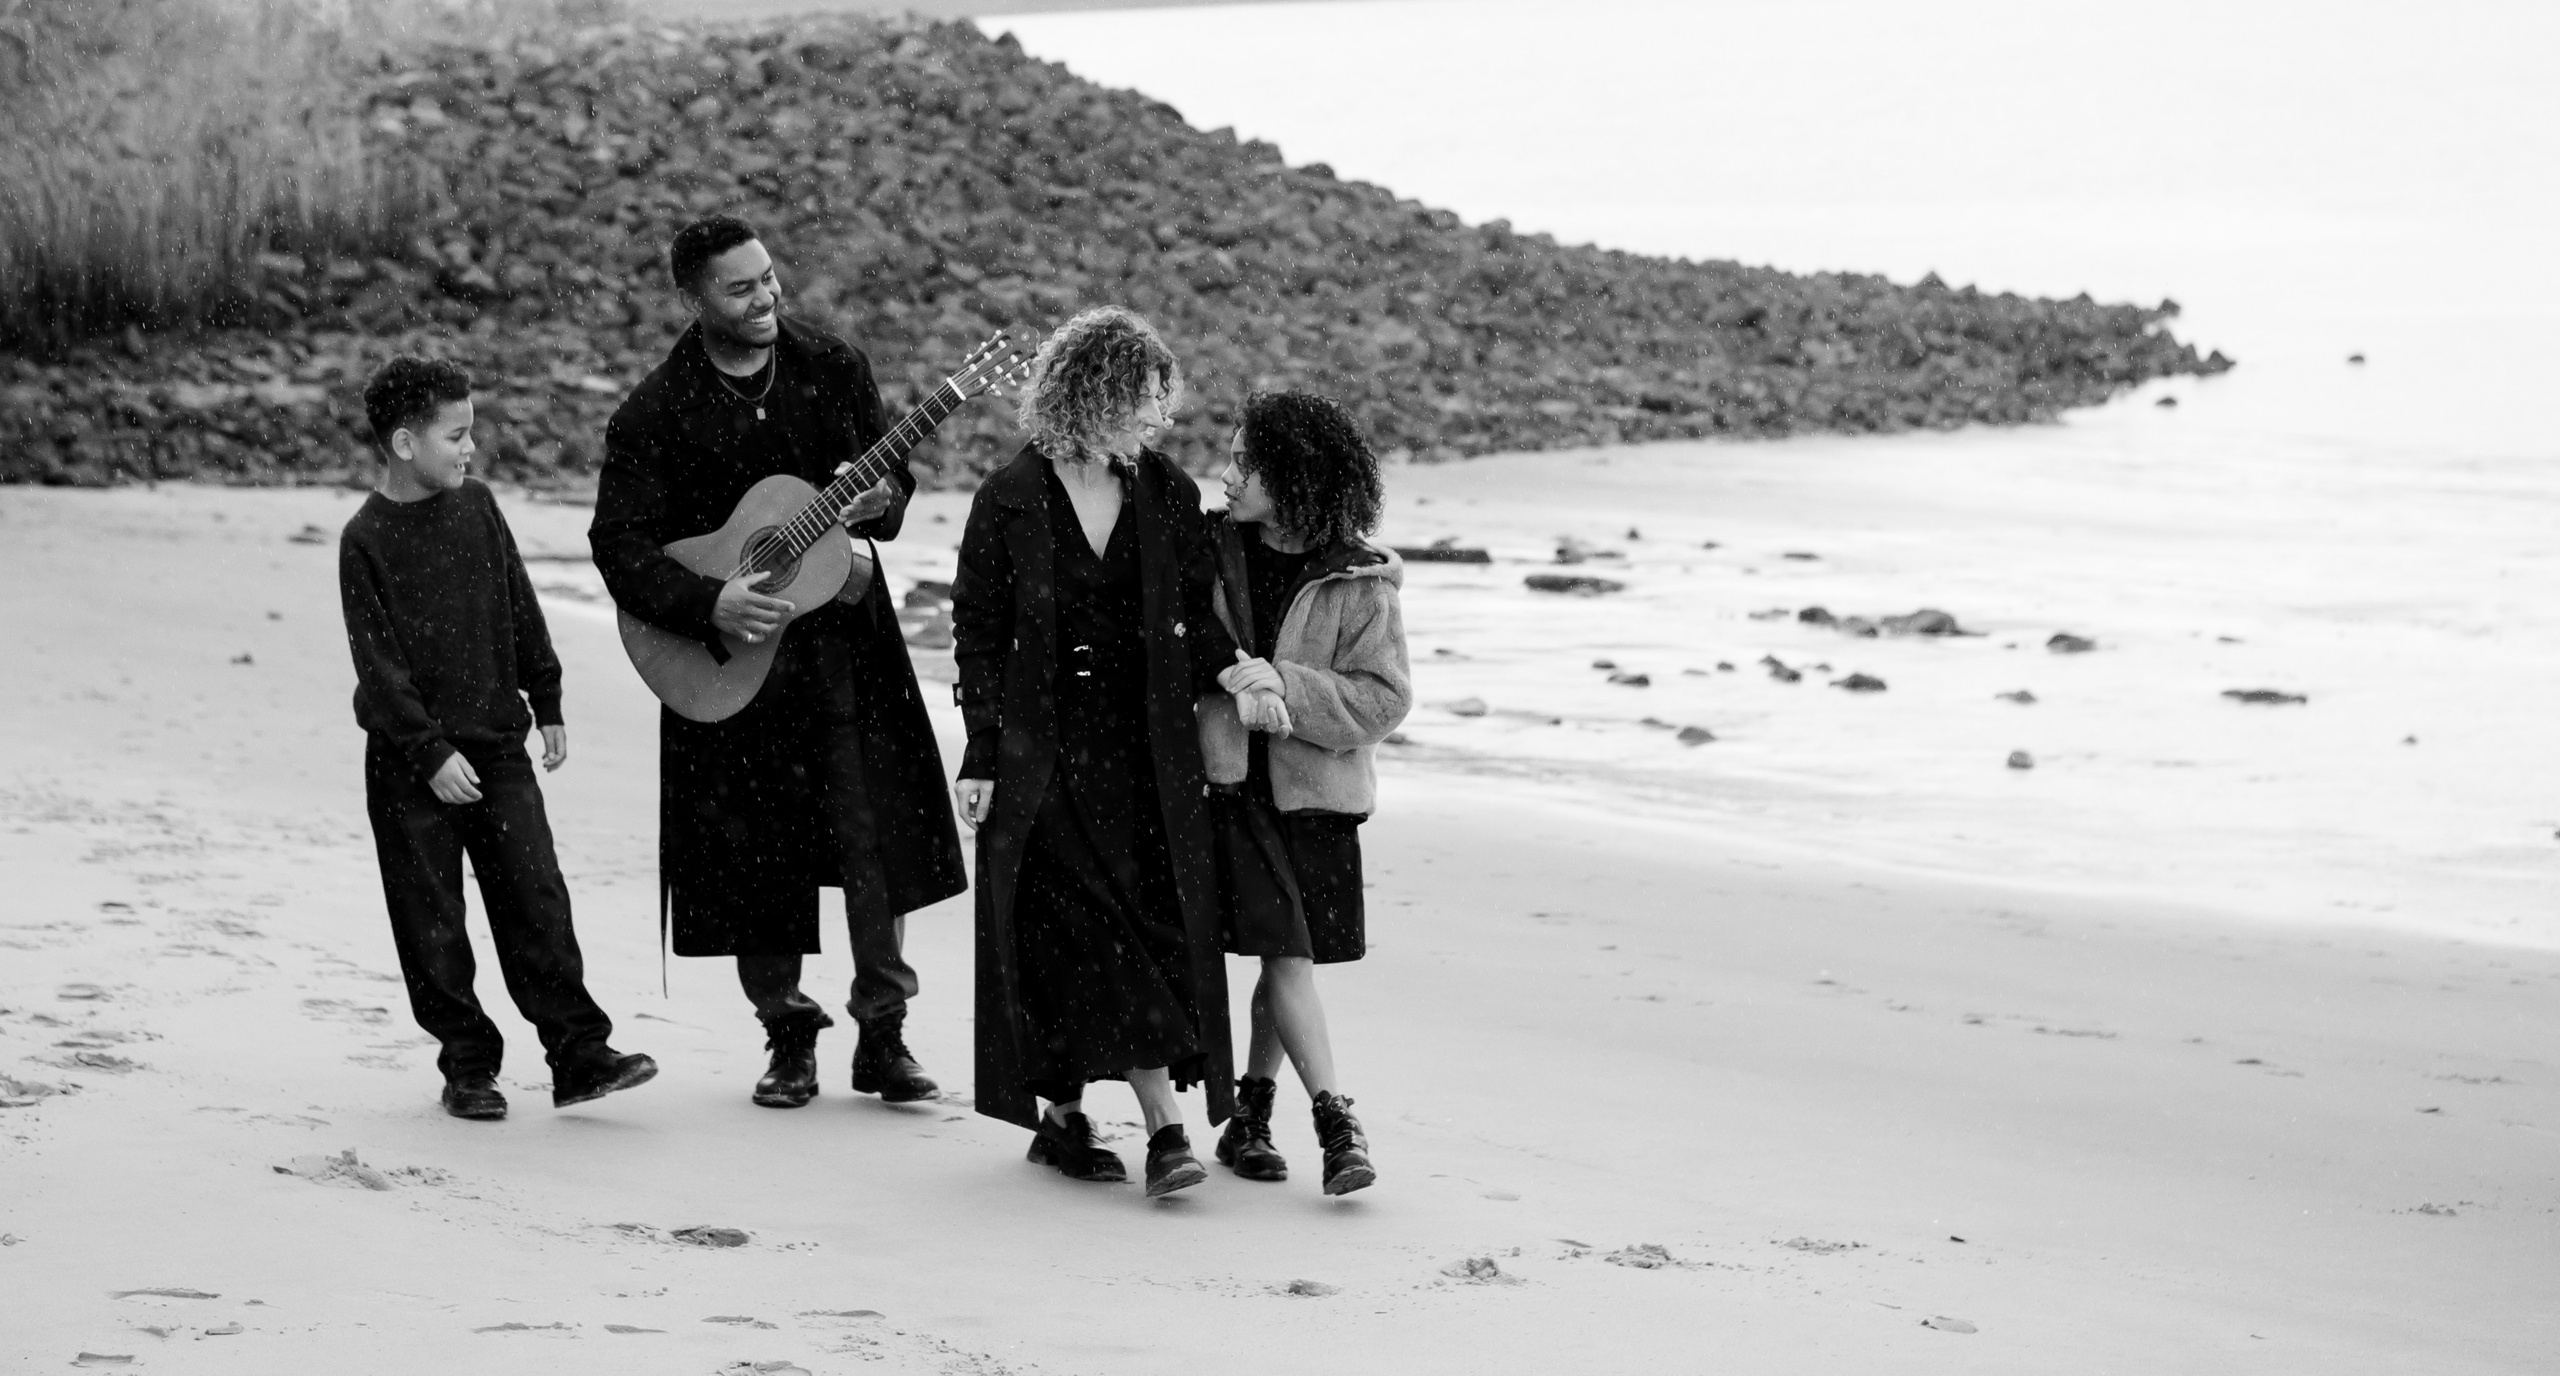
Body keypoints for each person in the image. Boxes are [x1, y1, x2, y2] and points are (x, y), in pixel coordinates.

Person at [590, 215, 966, 1108]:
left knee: (875, 838)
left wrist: (880, 500)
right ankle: (787, 1034)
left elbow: (889, 495)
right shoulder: (656, 410)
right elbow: (620, 545)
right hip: (736, 658)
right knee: (755, 853)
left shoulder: (831, 366)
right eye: (741, 288)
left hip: (845, 644)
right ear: (693, 299)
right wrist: (708, 603)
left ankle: (884, 1033)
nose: (766, 297)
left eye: (768, 278)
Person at [948, 306, 1288, 1198]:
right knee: (1087, 919)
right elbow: (977, 633)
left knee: (1126, 925)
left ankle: (1062, 1119)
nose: (1160, 418)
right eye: (1147, 398)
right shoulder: (1009, 496)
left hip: (1145, 751)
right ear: (1096, 393)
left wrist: (1240, 671)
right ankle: (1165, 1129)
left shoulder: (1165, 491)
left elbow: (1197, 609)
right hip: (1041, 751)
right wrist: (980, 754)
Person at [339, 356, 657, 1122]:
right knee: (432, 923)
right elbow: (379, 668)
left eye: (470, 432)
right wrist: (429, 752)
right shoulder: (365, 539)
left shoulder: (477, 505)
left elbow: (518, 601)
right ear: (406, 443)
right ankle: (468, 1066)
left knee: (537, 899)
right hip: (410, 765)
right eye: (456, 435)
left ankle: (579, 1055)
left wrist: (547, 697)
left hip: (497, 747)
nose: (471, 447)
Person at [1198, 391, 1410, 1195]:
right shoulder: (1208, 550)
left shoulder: (1360, 582)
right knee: (1285, 952)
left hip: (1318, 797)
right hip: (1230, 789)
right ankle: (1335, 1122)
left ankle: (1249, 1117)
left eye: (1244, 464)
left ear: (1291, 477)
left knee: (1283, 956)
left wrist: (1287, 686)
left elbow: (1383, 701)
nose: (1227, 476)